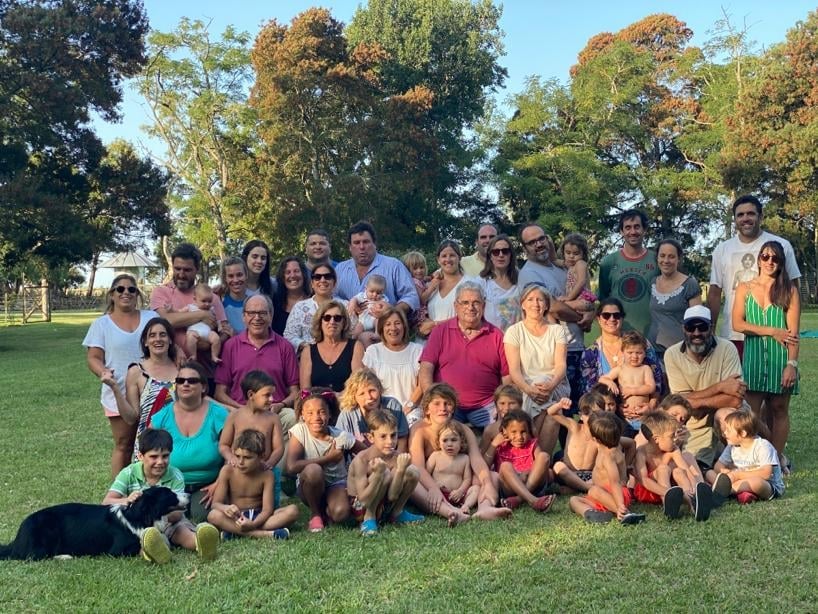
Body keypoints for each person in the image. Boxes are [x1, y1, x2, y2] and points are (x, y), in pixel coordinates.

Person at [103, 428, 220, 563]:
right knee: (145, 540)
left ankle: (200, 544)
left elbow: (178, 512)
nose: (160, 462)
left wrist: (161, 519)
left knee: (181, 532)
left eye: (165, 456)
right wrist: (127, 500)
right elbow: (107, 501)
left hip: (170, 521)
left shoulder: (175, 475)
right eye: (153, 457)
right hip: (141, 526)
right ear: (140, 456)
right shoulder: (129, 473)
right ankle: (155, 552)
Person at [731, 240, 800, 469]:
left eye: (775, 258)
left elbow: (793, 334)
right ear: (759, 259)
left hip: (781, 357)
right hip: (753, 357)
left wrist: (791, 364)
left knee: (779, 409)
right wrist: (772, 331)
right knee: (751, 413)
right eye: (766, 257)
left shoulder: (789, 290)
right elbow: (738, 323)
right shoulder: (745, 288)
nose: (770, 262)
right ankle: (759, 455)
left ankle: (776, 460)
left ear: (781, 263)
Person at [707, 194, 801, 359]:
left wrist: (790, 330)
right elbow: (715, 292)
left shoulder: (782, 246)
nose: (745, 218)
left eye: (750, 213)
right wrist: (711, 329)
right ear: (735, 219)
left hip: (775, 333)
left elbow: (793, 288)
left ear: (760, 216)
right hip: (733, 335)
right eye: (740, 215)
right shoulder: (722, 250)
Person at [84, 274, 159, 476]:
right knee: (124, 444)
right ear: (112, 294)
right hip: (118, 391)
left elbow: (165, 340)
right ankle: (119, 490)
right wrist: (103, 372)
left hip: (151, 390)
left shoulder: (151, 318)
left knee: (154, 443)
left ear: (137, 294)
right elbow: (93, 357)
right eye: (120, 289)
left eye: (131, 289)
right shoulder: (101, 324)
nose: (126, 292)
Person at [409, 383, 512, 523]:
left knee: (492, 476)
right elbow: (418, 466)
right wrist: (433, 488)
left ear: (454, 408)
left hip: (461, 485)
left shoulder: (463, 429)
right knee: (412, 479)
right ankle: (449, 512)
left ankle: (485, 508)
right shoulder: (419, 430)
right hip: (433, 485)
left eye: (447, 403)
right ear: (427, 409)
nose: (443, 408)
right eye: (437, 404)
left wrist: (487, 483)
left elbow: (476, 459)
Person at [663, 305, 747, 468]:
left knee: (725, 416)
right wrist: (720, 387)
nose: (696, 333)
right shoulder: (672, 354)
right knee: (694, 464)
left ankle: (741, 462)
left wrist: (696, 402)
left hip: (728, 412)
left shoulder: (727, 348)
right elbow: (679, 402)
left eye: (702, 327)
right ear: (683, 329)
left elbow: (735, 400)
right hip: (693, 421)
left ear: (711, 327)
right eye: (691, 327)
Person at [418, 282, 510, 429]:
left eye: (476, 303)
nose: (470, 307)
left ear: (484, 305)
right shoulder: (440, 331)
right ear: (456, 306)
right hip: (447, 404)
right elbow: (426, 369)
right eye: (465, 303)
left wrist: (504, 405)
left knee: (504, 429)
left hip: (487, 405)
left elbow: (507, 377)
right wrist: (432, 400)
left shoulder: (496, 335)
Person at [149, 361, 230, 522]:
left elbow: (232, 453)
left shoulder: (219, 414)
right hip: (170, 485)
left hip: (208, 485)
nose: (185, 384)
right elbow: (145, 451)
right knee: (167, 518)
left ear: (204, 387)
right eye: (180, 381)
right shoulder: (162, 417)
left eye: (192, 381)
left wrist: (220, 483)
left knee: (203, 516)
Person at [518, 223, 587, 410]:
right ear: (525, 248)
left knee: (581, 410)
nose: (539, 244)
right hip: (555, 354)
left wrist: (590, 311)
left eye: (541, 238)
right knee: (560, 411)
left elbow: (582, 295)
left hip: (576, 346)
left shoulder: (561, 267)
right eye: (532, 242)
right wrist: (581, 317)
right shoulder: (529, 273)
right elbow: (552, 307)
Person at [214, 295, 299, 438]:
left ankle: (280, 453)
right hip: (239, 410)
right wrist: (241, 408)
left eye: (262, 313)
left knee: (292, 417)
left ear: (271, 316)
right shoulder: (230, 346)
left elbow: (295, 392)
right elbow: (219, 393)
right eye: (251, 313)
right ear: (243, 317)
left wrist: (281, 405)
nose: (257, 318)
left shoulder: (285, 347)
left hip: (275, 411)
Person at [504, 283, 570, 453]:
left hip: (555, 384)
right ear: (522, 304)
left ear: (546, 305)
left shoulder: (557, 330)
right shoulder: (514, 332)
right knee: (553, 418)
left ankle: (530, 456)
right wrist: (529, 390)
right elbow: (514, 370)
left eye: (540, 300)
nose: (535, 304)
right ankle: (540, 460)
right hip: (525, 387)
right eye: (530, 299)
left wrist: (551, 385)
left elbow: (561, 365)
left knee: (542, 383)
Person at [102, 317, 178, 461]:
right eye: (152, 335)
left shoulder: (182, 369)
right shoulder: (136, 372)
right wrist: (114, 388)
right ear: (145, 342)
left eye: (163, 334)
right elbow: (131, 418)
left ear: (170, 340)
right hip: (149, 446)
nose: (158, 339)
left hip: (179, 442)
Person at [207, 429, 299, 539]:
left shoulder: (267, 475)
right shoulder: (227, 471)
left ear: (261, 457)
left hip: (259, 517)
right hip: (236, 517)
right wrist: (226, 508)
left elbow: (267, 510)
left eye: (247, 457)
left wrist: (253, 524)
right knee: (213, 515)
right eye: (237, 456)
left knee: (293, 511)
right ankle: (266, 534)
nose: (240, 462)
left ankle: (234, 533)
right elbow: (216, 504)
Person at [286, 390, 356, 533]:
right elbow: (292, 467)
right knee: (314, 470)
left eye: (322, 412)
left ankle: (328, 511)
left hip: (336, 483)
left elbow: (365, 452)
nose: (316, 417)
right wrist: (329, 458)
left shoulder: (340, 436)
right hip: (310, 486)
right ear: (302, 415)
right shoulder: (300, 431)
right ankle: (316, 514)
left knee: (340, 513)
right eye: (310, 413)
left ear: (330, 414)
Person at [346, 409, 424, 536]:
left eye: (393, 435)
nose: (390, 441)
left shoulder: (395, 456)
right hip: (360, 507)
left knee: (412, 471)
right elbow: (363, 501)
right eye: (383, 436)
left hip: (382, 504)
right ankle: (369, 519)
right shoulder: (362, 460)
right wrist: (377, 475)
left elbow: (392, 496)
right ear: (371, 437)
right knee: (384, 473)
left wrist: (400, 470)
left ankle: (397, 513)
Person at [218, 371, 286, 506]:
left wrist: (269, 463)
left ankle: (269, 510)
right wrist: (231, 458)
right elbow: (224, 444)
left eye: (272, 395)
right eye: (267, 395)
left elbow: (279, 448)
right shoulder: (235, 416)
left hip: (263, 471)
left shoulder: (273, 418)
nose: (272, 399)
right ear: (251, 395)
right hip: (238, 468)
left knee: (271, 507)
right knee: (231, 503)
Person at [150, 242, 230, 358]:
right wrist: (202, 315)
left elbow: (225, 331)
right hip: (170, 364)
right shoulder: (161, 292)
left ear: (197, 269)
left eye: (187, 270)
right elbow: (166, 321)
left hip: (205, 366)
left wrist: (210, 344)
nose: (181, 274)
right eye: (177, 269)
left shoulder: (210, 297)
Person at [568, 412, 646, 524]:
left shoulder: (607, 457)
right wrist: (626, 465)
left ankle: (624, 513)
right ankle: (591, 513)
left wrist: (620, 504)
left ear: (596, 439)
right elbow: (632, 444)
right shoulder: (617, 443)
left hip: (615, 495)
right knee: (573, 500)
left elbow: (615, 482)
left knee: (593, 491)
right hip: (605, 496)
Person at [634, 410, 712, 520]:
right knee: (663, 469)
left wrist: (694, 488)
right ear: (656, 439)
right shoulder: (641, 452)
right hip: (650, 491)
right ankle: (668, 504)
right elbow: (644, 480)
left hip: (674, 491)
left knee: (679, 471)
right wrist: (667, 493)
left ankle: (694, 504)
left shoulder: (673, 449)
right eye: (671, 436)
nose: (675, 439)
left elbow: (685, 469)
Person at [581, 299, 664, 398]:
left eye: (616, 315)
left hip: (642, 405)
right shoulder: (590, 353)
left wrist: (651, 404)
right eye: (606, 315)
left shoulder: (640, 343)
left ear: (622, 318)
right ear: (599, 319)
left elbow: (657, 380)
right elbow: (589, 390)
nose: (612, 319)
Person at [334, 220, 419, 316]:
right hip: (348, 324)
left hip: (385, 324)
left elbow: (411, 296)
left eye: (366, 242)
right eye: (356, 243)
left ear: (374, 244)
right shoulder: (340, 269)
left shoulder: (394, 266)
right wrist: (348, 304)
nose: (361, 247)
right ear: (350, 247)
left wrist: (392, 311)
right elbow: (331, 296)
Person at [706, 409, 785, 505]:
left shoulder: (763, 446)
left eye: (728, 430)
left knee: (756, 483)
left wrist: (737, 475)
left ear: (743, 433)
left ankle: (721, 492)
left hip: (767, 484)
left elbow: (766, 474)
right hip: (738, 480)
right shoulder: (732, 447)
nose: (724, 433)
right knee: (709, 473)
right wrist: (726, 473)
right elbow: (718, 466)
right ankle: (734, 491)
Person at [598, 209, 657, 335]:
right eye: (628, 228)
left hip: (652, 335)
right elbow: (604, 301)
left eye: (637, 227)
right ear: (621, 231)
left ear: (644, 230)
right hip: (618, 335)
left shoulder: (657, 260)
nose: (633, 232)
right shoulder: (608, 263)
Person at [485, 409, 557, 512]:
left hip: (532, 483)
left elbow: (540, 465)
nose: (519, 437)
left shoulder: (532, 444)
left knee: (544, 456)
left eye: (523, 432)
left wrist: (528, 472)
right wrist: (494, 445)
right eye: (514, 432)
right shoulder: (500, 446)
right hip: (509, 488)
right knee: (505, 466)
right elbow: (486, 466)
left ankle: (519, 499)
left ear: (529, 431)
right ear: (505, 431)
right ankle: (533, 500)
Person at [362, 308, 424, 424]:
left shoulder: (417, 350)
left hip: (412, 410)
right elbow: (369, 386)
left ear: (404, 326)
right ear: (382, 328)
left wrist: (407, 408)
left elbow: (421, 386)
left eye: (397, 323)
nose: (393, 328)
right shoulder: (373, 351)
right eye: (388, 324)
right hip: (381, 411)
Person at [647, 238, 702, 359]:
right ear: (657, 258)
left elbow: (698, 322)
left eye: (671, 256)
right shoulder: (653, 283)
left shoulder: (689, 285)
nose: (666, 261)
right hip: (653, 351)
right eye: (662, 256)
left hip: (680, 353)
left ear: (679, 259)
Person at [336, 369, 410, 451]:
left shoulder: (393, 405)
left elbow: (402, 438)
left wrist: (398, 457)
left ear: (379, 389)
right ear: (354, 397)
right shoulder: (347, 414)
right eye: (362, 394)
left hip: (391, 455)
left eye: (372, 391)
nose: (369, 397)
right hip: (357, 458)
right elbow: (339, 443)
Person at [299, 300, 364, 393]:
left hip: (347, 401)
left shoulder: (356, 347)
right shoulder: (308, 351)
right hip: (316, 401)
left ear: (344, 323)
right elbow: (305, 390)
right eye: (327, 318)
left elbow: (357, 385)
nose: (332, 322)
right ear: (320, 322)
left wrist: (337, 397)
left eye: (337, 318)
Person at [598, 330, 657, 427]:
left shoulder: (645, 368)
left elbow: (651, 387)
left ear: (644, 353)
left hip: (644, 417)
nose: (634, 356)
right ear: (623, 352)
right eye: (630, 352)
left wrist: (632, 391)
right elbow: (602, 378)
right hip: (625, 418)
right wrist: (610, 382)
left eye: (639, 353)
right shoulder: (620, 369)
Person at [284, 263, 347, 352]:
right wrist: (306, 346)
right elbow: (289, 336)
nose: (322, 280)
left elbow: (352, 333)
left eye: (327, 277)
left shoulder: (346, 306)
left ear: (334, 283)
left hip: (340, 353)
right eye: (317, 277)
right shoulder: (300, 307)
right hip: (307, 355)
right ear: (312, 284)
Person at [548, 393, 601, 493]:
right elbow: (551, 412)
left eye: (595, 413)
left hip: (590, 475)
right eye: (587, 413)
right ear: (580, 415)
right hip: (569, 473)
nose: (591, 417)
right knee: (558, 466)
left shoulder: (601, 435)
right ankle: (588, 488)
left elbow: (624, 444)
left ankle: (575, 488)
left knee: (604, 472)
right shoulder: (574, 427)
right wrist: (559, 405)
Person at [425, 421, 480, 515]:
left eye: (454, 440)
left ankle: (465, 506)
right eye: (445, 440)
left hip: (458, 496)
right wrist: (435, 486)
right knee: (426, 493)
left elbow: (467, 479)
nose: (449, 444)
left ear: (461, 441)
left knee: (476, 488)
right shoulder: (435, 456)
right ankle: (445, 508)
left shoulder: (465, 459)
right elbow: (426, 474)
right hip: (439, 494)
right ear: (439, 442)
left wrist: (460, 491)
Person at [418, 240, 469, 338]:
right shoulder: (431, 284)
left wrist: (435, 324)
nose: (448, 259)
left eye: (452, 255)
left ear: (459, 258)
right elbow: (420, 309)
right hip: (431, 339)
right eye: (444, 256)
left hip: (456, 338)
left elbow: (469, 317)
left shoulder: (469, 284)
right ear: (438, 259)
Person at [476, 234, 521, 332]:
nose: (501, 255)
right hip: (491, 337)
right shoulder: (481, 282)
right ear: (490, 256)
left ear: (511, 255)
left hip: (517, 337)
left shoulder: (521, 278)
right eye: (496, 252)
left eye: (505, 251)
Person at [480, 385, 524, 463]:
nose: (506, 408)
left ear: (520, 405)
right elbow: (482, 460)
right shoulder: (491, 430)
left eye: (512, 403)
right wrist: (494, 444)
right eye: (502, 403)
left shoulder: (527, 426)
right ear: (496, 405)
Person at [557, 232, 597, 316]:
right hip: (575, 301)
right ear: (563, 252)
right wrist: (550, 244)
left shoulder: (580, 264)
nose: (571, 256)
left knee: (558, 306)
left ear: (583, 254)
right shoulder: (569, 264)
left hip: (584, 301)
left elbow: (581, 282)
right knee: (557, 307)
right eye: (568, 253)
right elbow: (554, 260)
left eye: (576, 253)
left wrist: (569, 297)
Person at [184, 283, 224, 364]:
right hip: (194, 331)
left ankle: (214, 355)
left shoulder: (211, 309)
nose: (207, 304)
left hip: (207, 332)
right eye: (204, 301)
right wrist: (171, 309)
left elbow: (217, 320)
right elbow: (179, 313)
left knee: (216, 338)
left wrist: (219, 326)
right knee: (190, 338)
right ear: (195, 299)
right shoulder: (191, 307)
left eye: (209, 301)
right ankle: (193, 355)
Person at [271, 256, 311, 336]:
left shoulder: (314, 300)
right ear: (282, 277)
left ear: (303, 275)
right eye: (288, 272)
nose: (292, 275)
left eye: (296, 271)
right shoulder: (274, 302)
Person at [348, 273, 389, 343]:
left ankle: (377, 333)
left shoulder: (383, 299)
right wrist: (353, 304)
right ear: (366, 289)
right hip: (362, 321)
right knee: (356, 331)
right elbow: (354, 299)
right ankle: (353, 342)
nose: (374, 295)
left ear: (383, 292)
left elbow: (387, 308)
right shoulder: (362, 296)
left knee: (379, 321)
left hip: (375, 319)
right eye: (372, 291)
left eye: (378, 293)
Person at [220, 257, 251, 334]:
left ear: (246, 275)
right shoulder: (220, 305)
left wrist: (235, 335)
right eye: (230, 276)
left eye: (239, 275)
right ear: (225, 278)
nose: (236, 280)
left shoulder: (255, 303)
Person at [401, 250, 430, 329]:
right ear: (408, 270)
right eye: (415, 268)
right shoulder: (414, 282)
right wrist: (432, 286)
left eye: (421, 267)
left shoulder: (419, 280)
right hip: (419, 316)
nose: (419, 271)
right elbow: (422, 299)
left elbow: (424, 279)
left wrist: (428, 278)